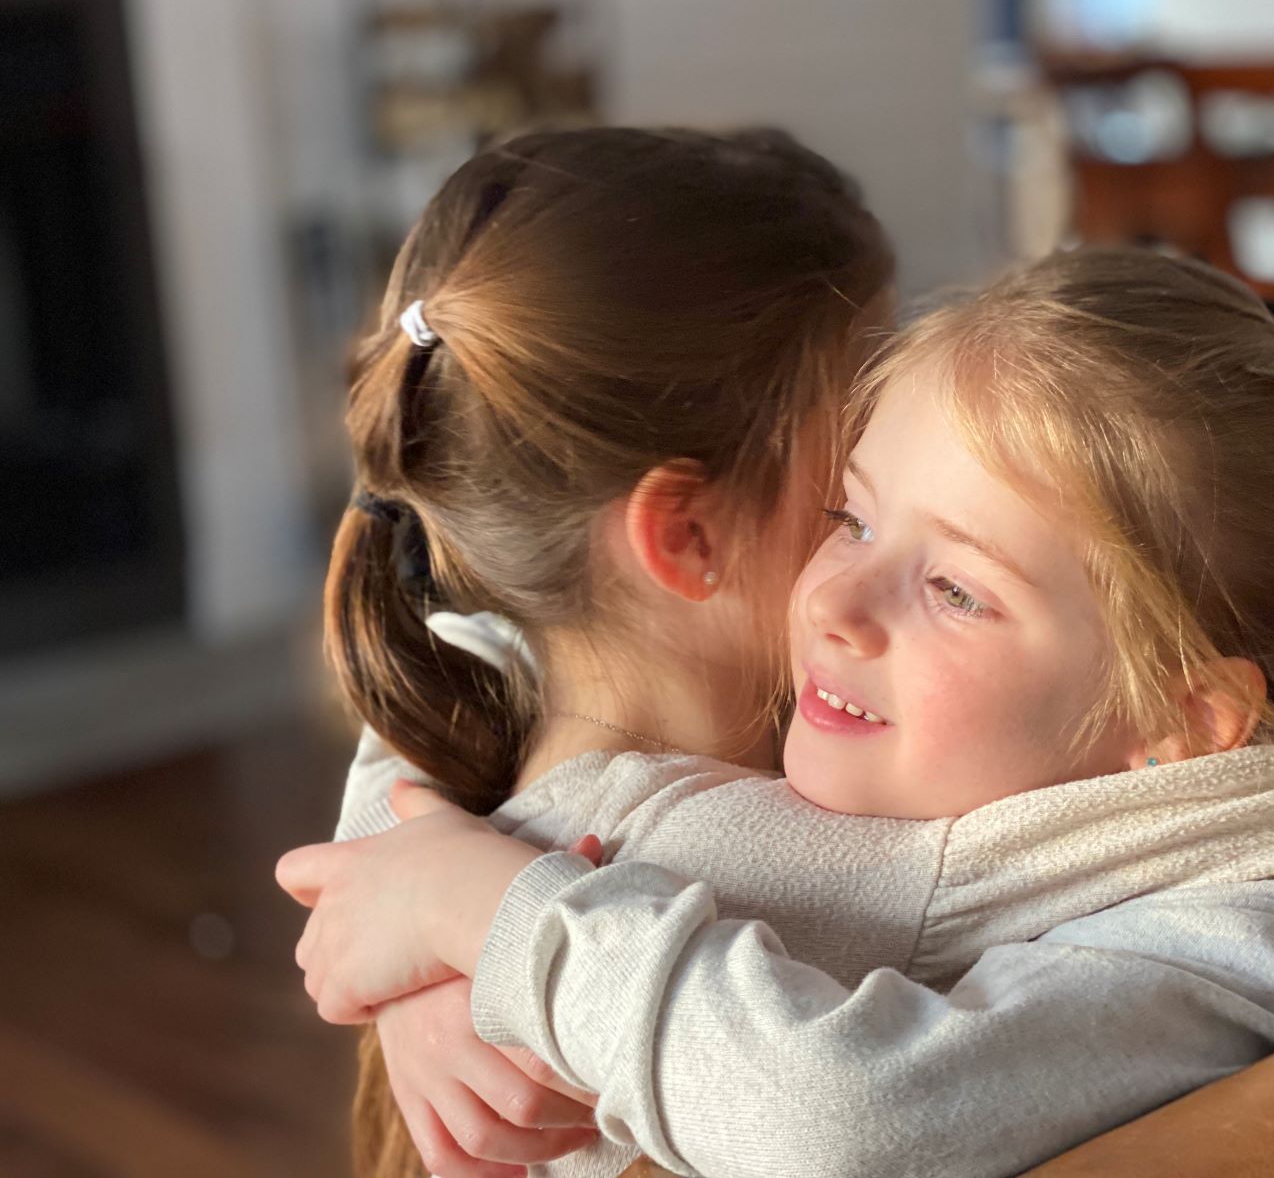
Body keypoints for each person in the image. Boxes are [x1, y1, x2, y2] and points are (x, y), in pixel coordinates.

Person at [281, 246, 1274, 1178]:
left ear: (1180, 719)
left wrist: (496, 917)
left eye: (957, 589)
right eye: (852, 518)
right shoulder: (963, 725)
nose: (835, 604)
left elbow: (843, 1121)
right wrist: (430, 945)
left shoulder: (1260, 949)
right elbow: (496, 654)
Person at [303, 123, 896, 1178]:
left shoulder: (481, 745)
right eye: (860, 450)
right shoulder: (792, 870)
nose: (905, 464)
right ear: (690, 537)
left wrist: (445, 926)